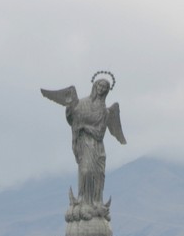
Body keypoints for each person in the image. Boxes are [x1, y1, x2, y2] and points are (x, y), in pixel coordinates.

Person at [41, 72, 127, 210]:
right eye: (100, 85)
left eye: (105, 87)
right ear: (95, 86)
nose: (102, 89)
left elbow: (99, 133)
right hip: (84, 146)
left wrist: (86, 127)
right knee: (85, 171)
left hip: (97, 148)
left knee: (98, 175)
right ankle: (83, 201)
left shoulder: (106, 112)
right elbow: (73, 120)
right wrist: (69, 109)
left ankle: (96, 202)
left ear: (107, 91)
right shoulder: (82, 103)